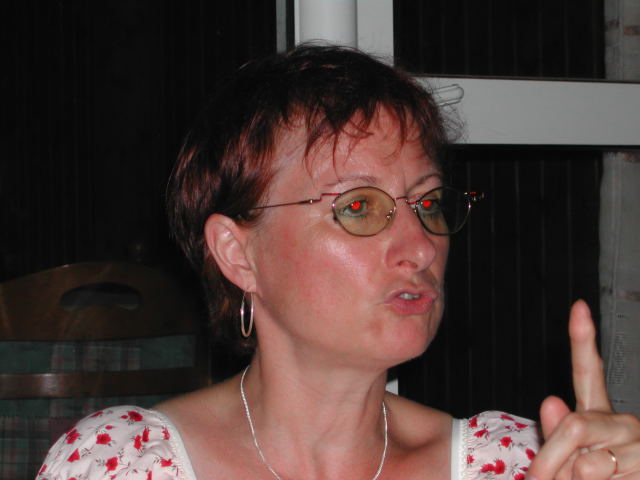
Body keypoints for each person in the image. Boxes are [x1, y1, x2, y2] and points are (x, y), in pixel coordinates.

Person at [37, 45, 639, 480]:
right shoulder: (124, 464)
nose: (421, 247)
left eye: (429, 203)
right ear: (238, 254)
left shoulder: (525, 464)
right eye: (358, 207)